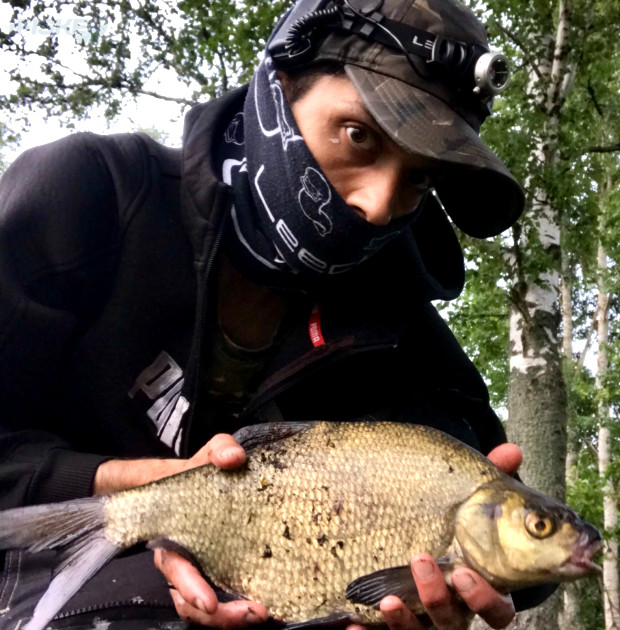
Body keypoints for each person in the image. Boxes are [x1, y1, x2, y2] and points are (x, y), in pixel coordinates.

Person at [0, 0, 554, 628]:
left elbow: (519, 555)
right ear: (279, 89)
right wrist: (152, 492)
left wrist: (459, 584)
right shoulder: (92, 195)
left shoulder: (402, 335)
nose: (379, 205)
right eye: (359, 135)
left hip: (268, 590)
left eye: (420, 180)